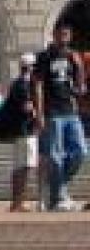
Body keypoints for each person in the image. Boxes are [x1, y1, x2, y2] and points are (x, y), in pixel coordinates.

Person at [34, 21, 87, 211]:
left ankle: (57, 189)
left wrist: (80, 68)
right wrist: (39, 113)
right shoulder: (45, 57)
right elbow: (38, 85)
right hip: (52, 112)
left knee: (80, 151)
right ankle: (58, 198)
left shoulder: (74, 56)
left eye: (67, 34)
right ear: (54, 36)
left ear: (70, 36)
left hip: (71, 111)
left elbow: (81, 86)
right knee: (55, 156)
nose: (64, 38)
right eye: (60, 34)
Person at [7, 54, 38, 212]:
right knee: (25, 167)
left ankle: (16, 202)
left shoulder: (15, 83)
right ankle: (20, 202)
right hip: (27, 130)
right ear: (31, 67)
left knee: (19, 167)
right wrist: (39, 114)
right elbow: (27, 107)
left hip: (18, 131)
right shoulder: (25, 85)